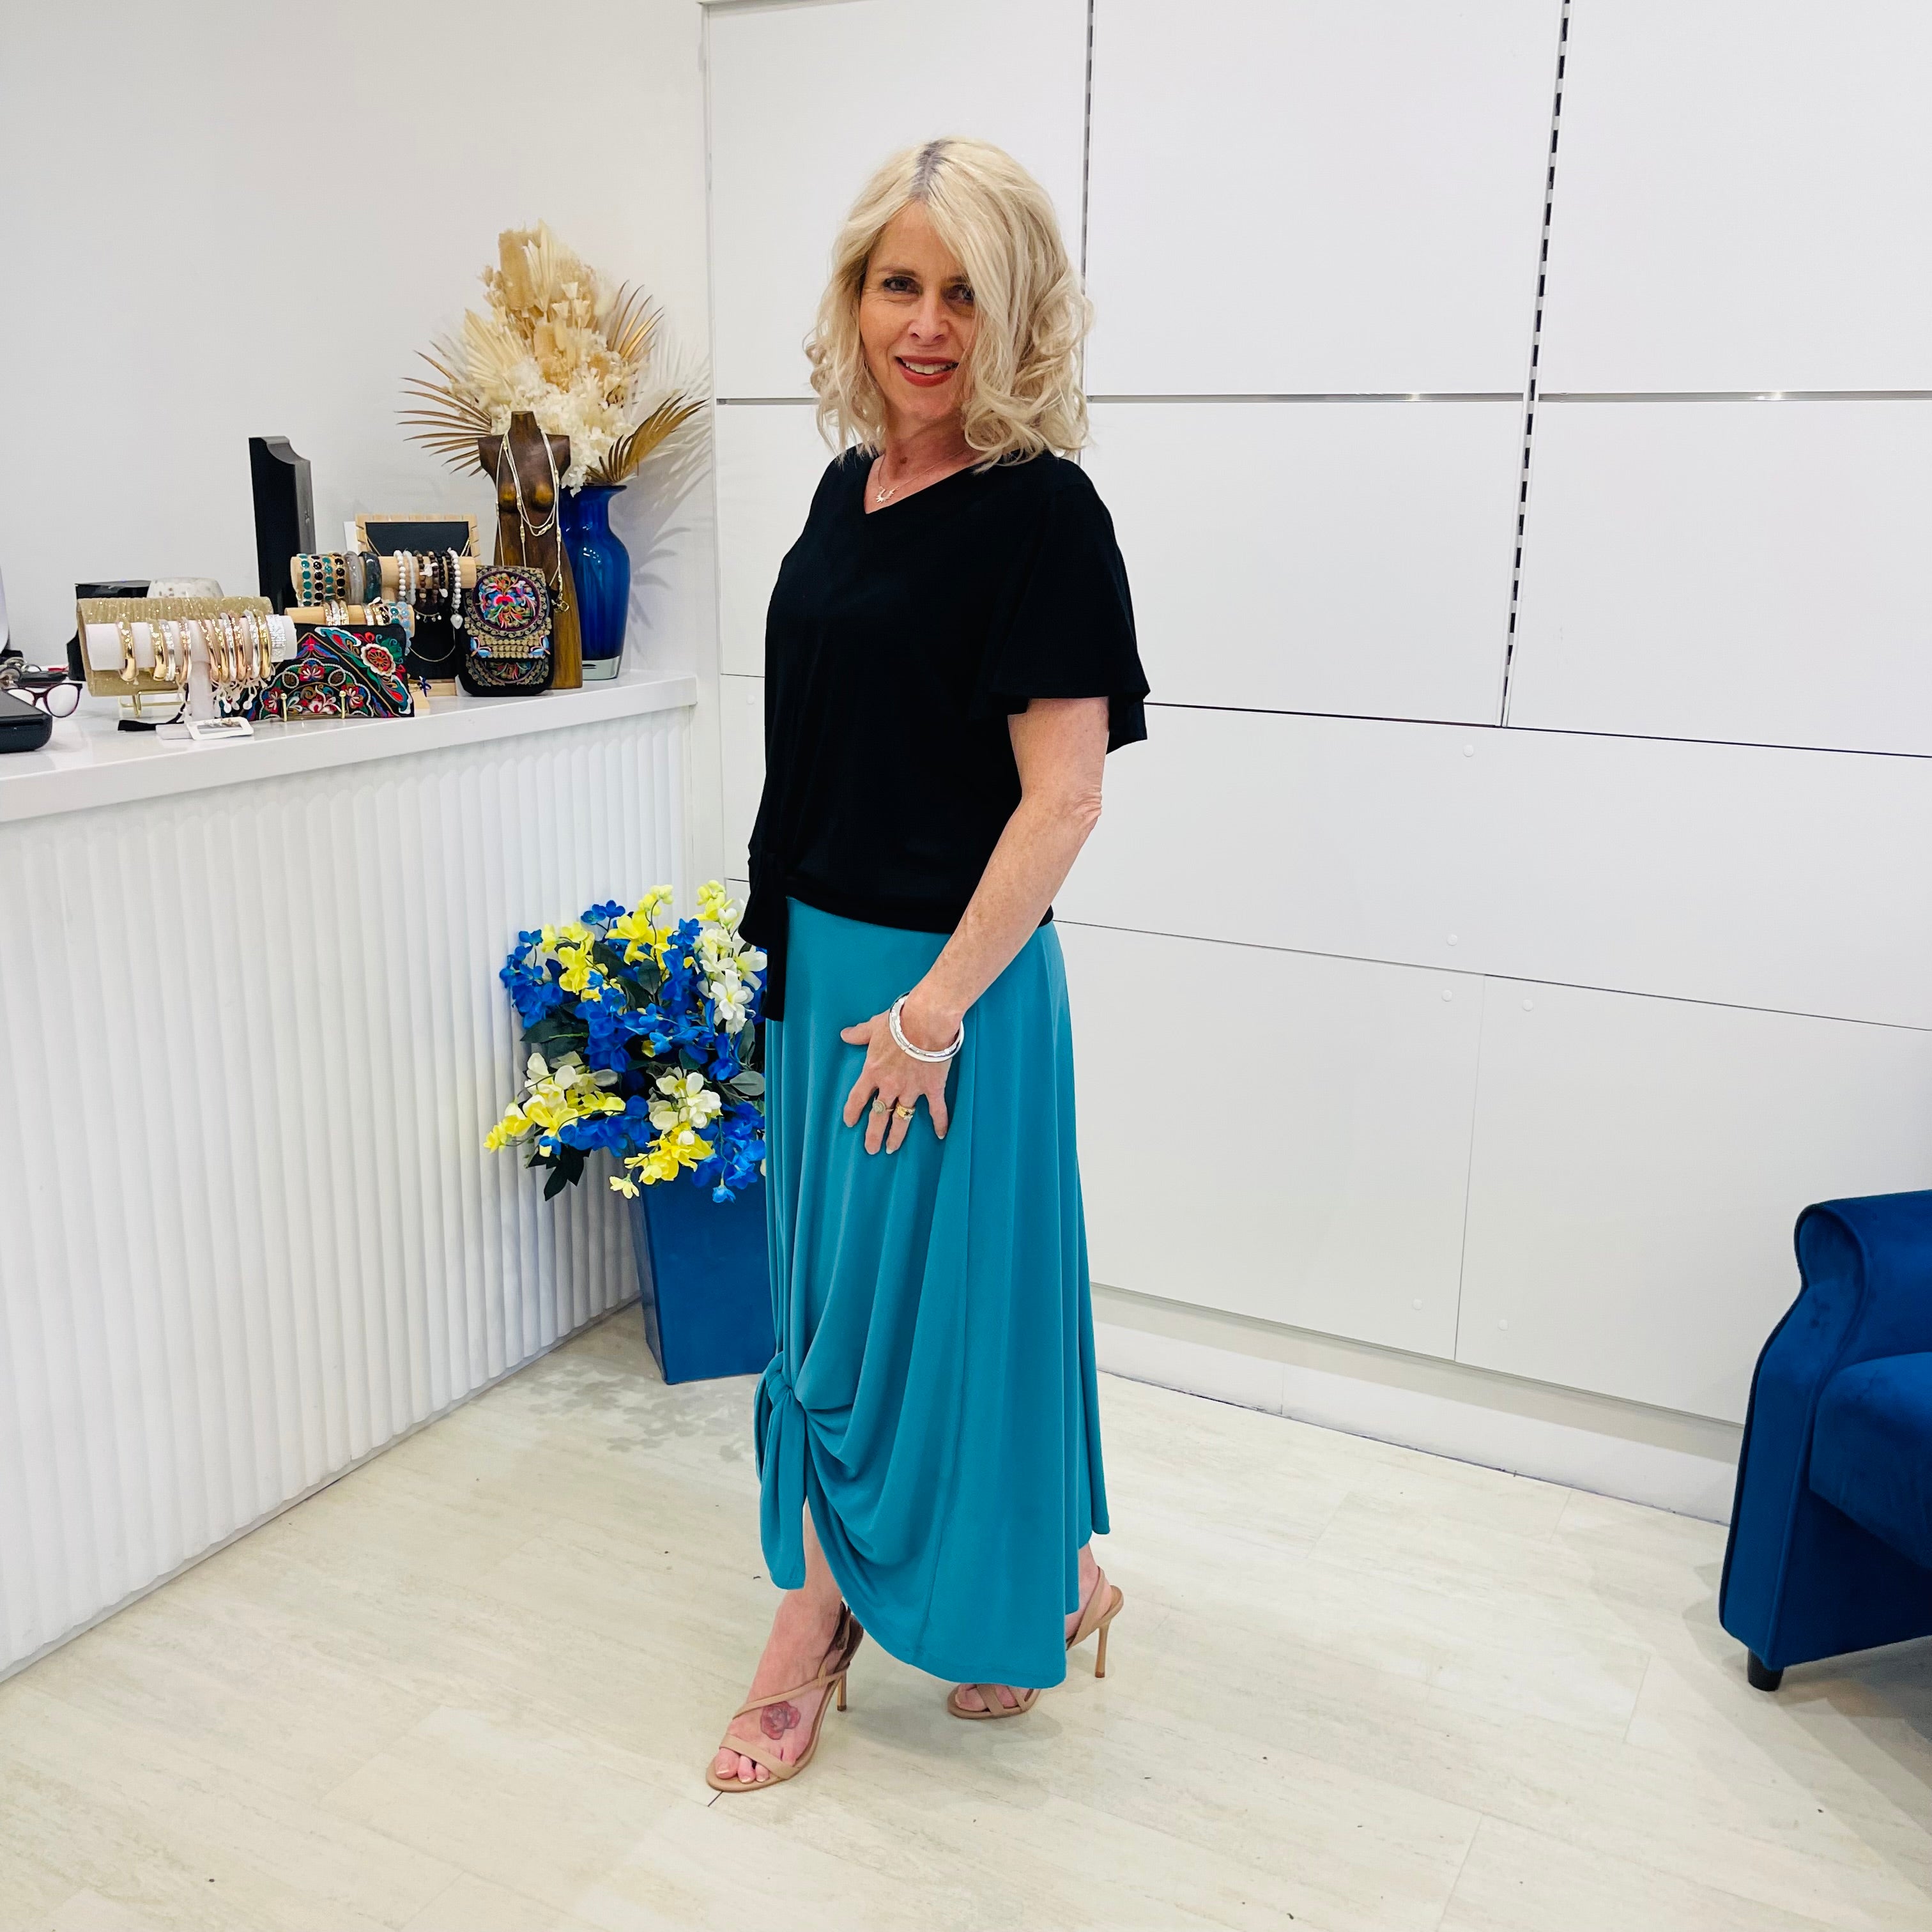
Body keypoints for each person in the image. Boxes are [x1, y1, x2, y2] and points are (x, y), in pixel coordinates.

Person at [710, 135, 1149, 1791]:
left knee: (941, 1320)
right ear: (856, 298)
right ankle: (993, 1588)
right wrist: (806, 969)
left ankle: (857, 1617)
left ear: (1020, 310)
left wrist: (934, 1011)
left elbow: (1067, 797)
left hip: (948, 993)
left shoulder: (1045, 513)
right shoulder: (847, 490)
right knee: (833, 1312)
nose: (929, 323)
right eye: (902, 283)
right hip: (827, 968)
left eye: (968, 289)